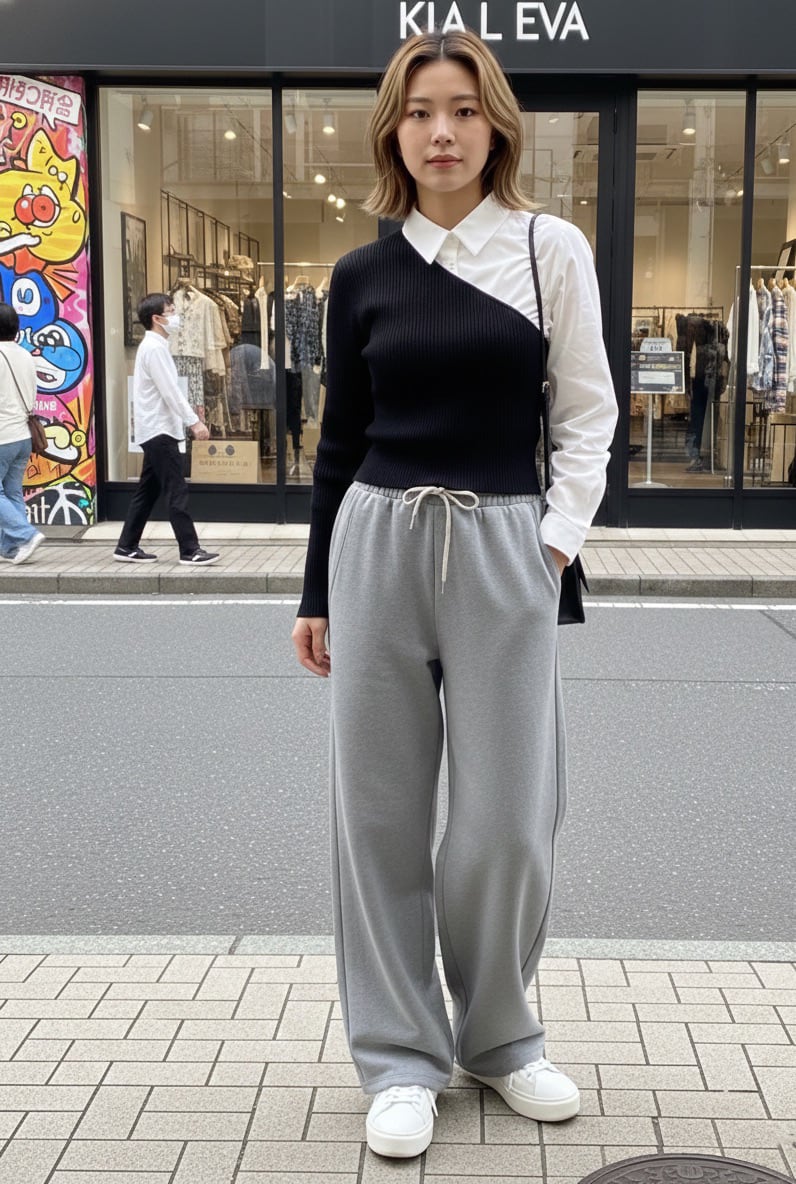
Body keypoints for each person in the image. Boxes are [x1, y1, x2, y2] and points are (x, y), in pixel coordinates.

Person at [291, 27, 618, 1160]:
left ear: (496, 126)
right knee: (377, 816)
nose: (442, 131)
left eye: (464, 110)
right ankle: (398, 1057)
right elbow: (339, 443)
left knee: (508, 819)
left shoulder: (547, 248)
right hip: (378, 542)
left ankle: (500, 1036)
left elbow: (587, 414)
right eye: (421, 110)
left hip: (504, 545)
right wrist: (315, 588)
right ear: (393, 130)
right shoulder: (361, 276)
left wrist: (553, 543)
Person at [114, 292, 219, 566]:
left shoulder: (155, 346)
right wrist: (193, 422)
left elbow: (169, 391)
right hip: (159, 430)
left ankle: (126, 546)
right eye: (171, 311)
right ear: (157, 318)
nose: (175, 316)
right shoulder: (155, 348)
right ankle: (190, 549)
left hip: (155, 428)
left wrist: (190, 415)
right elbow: (169, 390)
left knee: (147, 491)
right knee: (176, 490)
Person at [0, 302, 45, 565]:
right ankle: (11, 548)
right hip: (22, 435)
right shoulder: (25, 354)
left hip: (2, 434)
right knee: (12, 492)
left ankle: (26, 535)